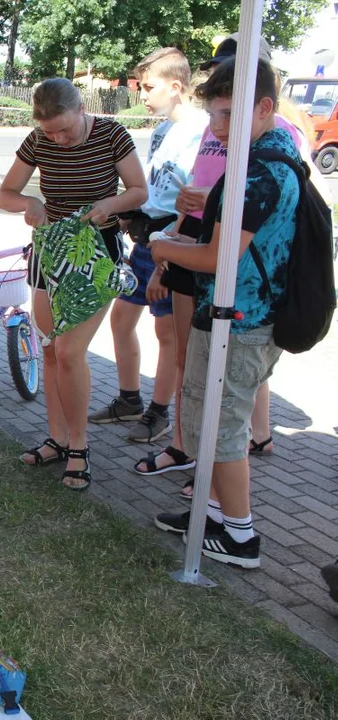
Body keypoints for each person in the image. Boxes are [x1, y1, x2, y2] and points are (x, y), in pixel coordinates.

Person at [149, 57, 299, 569]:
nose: (217, 128)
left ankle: (240, 537)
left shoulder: (262, 173)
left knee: (222, 427)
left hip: (244, 320)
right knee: (206, 416)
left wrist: (162, 247)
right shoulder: (258, 161)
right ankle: (212, 516)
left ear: (264, 108)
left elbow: (217, 257)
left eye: (228, 115)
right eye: (212, 115)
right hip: (234, 314)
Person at [0, 78, 148, 490]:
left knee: (69, 351)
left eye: (65, 129)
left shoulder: (112, 134)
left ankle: (79, 447)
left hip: (96, 254)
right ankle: (57, 439)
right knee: (49, 351)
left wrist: (110, 205)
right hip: (50, 253)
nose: (59, 139)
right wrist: (29, 203)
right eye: (51, 132)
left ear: (82, 108)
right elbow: (5, 194)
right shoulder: (38, 140)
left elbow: (138, 190)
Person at [90, 49, 206, 447]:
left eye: (149, 86)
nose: (142, 94)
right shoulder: (162, 130)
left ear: (176, 87)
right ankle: (129, 399)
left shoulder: (203, 132)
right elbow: (157, 187)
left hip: (173, 240)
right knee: (122, 318)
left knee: (168, 332)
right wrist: (130, 215)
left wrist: (165, 251)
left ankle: (160, 412)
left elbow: (192, 203)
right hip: (148, 237)